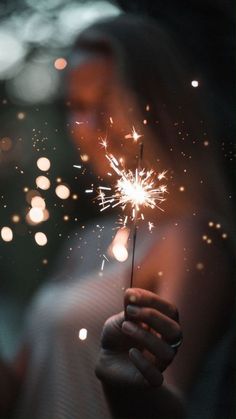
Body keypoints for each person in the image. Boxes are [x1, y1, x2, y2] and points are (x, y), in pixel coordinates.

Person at [0, 14, 235, 419]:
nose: (86, 127)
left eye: (106, 102)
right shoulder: (85, 240)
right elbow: (18, 389)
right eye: (76, 106)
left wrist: (129, 388)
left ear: (155, 105)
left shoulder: (191, 238)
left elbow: (169, 398)